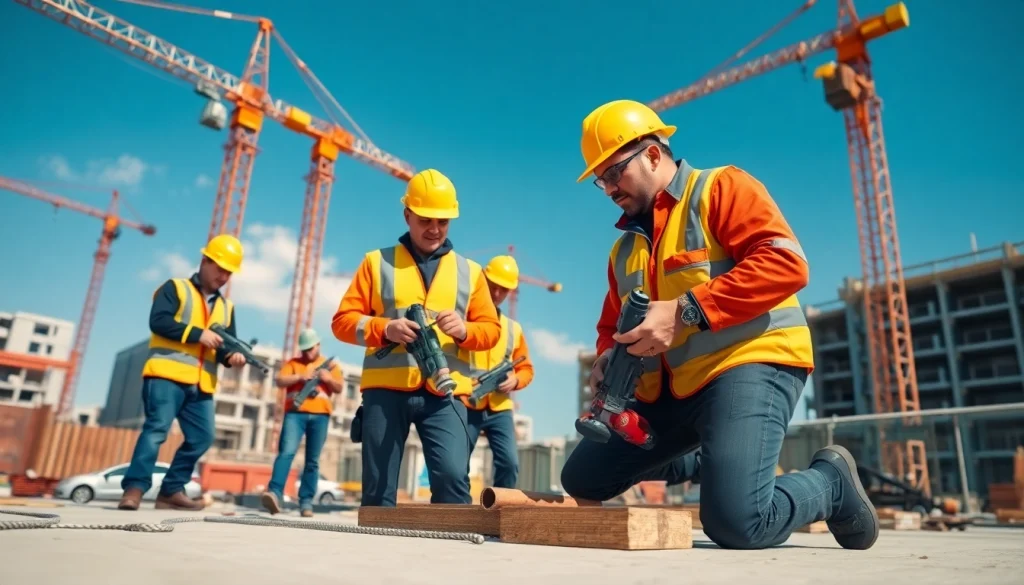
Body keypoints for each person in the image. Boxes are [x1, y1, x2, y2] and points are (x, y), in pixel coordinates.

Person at [561, 99, 880, 551]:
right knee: (582, 477)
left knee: (737, 522)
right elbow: (610, 324)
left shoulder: (720, 188)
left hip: (749, 362)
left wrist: (685, 311)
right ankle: (718, 463)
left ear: (652, 154)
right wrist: (606, 356)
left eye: (614, 172)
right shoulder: (623, 251)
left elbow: (786, 264)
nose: (609, 188)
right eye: (601, 180)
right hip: (675, 392)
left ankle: (831, 481)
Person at [331, 168, 502, 507]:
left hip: (446, 392)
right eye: (425, 220)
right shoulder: (376, 263)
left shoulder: (470, 272)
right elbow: (342, 322)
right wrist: (385, 329)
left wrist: (465, 330)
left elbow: (492, 331)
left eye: (443, 221)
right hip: (386, 391)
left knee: (453, 478)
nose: (434, 229)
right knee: (378, 489)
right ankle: (378, 539)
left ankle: (450, 541)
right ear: (407, 215)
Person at [118, 234, 248, 511]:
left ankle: (171, 491)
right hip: (166, 374)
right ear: (205, 261)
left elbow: (224, 347)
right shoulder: (175, 288)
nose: (224, 277)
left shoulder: (227, 307)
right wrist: (198, 334)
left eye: (229, 272)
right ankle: (134, 490)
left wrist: (231, 357)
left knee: (202, 437)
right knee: (156, 430)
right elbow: (159, 322)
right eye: (220, 269)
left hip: (201, 385)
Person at [460, 255, 535, 488]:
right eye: (492, 286)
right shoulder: (463, 320)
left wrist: (515, 380)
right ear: (483, 280)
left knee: (509, 464)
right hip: (466, 403)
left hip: (499, 408)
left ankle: (500, 505)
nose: (496, 293)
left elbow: (526, 369)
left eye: (503, 289)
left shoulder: (513, 329)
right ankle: (457, 505)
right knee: (456, 464)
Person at [261, 328, 343, 517]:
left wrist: (328, 378)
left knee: (312, 460)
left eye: (310, 349)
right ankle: (274, 494)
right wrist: (300, 377)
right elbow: (280, 380)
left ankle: (306, 503)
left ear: (318, 345)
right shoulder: (293, 364)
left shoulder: (330, 365)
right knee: (286, 453)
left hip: (320, 416)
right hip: (295, 414)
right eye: (304, 349)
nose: (307, 353)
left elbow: (339, 387)